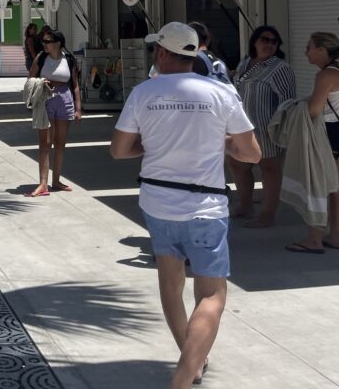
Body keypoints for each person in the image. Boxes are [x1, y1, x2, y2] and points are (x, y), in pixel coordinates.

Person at [111, 22, 260, 389]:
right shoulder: (221, 92)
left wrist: (152, 146)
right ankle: (184, 374)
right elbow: (252, 152)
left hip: (158, 201)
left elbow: (119, 150)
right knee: (211, 294)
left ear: (162, 53)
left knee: (170, 281)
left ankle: (191, 360)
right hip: (205, 205)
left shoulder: (143, 92)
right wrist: (222, 144)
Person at [229, 25, 296, 227]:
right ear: (255, 42)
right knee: (238, 165)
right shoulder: (245, 62)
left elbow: (288, 101)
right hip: (241, 128)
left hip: (267, 129)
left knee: (270, 169)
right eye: (264, 40)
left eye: (273, 41)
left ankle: (267, 214)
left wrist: (278, 127)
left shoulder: (281, 68)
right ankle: (246, 205)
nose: (269, 44)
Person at [284, 31, 339, 253]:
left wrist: (293, 108)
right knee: (336, 189)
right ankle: (335, 235)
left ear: (322, 50)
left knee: (317, 185)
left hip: (331, 133)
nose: (305, 52)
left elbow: (314, 110)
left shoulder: (326, 75)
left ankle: (314, 239)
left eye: (309, 47)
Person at [27, 29, 81, 197]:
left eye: (47, 41)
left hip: (65, 98)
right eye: (43, 41)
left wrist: (78, 108)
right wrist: (40, 85)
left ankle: (56, 180)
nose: (44, 44)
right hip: (45, 98)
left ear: (58, 43)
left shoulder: (69, 60)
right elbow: (30, 78)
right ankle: (43, 183)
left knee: (60, 143)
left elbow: (75, 84)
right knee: (45, 143)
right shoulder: (41, 57)